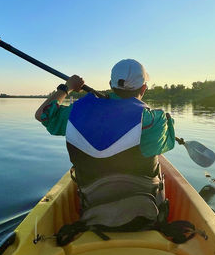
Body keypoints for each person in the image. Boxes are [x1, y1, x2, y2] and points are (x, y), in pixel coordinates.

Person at [34, 59, 175, 234]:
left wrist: (66, 87)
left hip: (92, 209)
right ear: (144, 88)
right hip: (147, 212)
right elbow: (166, 142)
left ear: (110, 84)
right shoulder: (155, 120)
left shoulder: (76, 112)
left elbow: (42, 115)